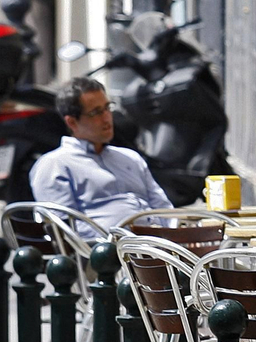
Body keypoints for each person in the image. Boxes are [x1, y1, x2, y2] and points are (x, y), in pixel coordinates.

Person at [30, 77, 172, 236]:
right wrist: (123, 236)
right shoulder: (55, 165)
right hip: (105, 255)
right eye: (96, 112)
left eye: (107, 108)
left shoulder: (130, 158)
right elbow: (63, 230)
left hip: (158, 250)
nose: (106, 118)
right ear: (72, 122)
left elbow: (164, 209)